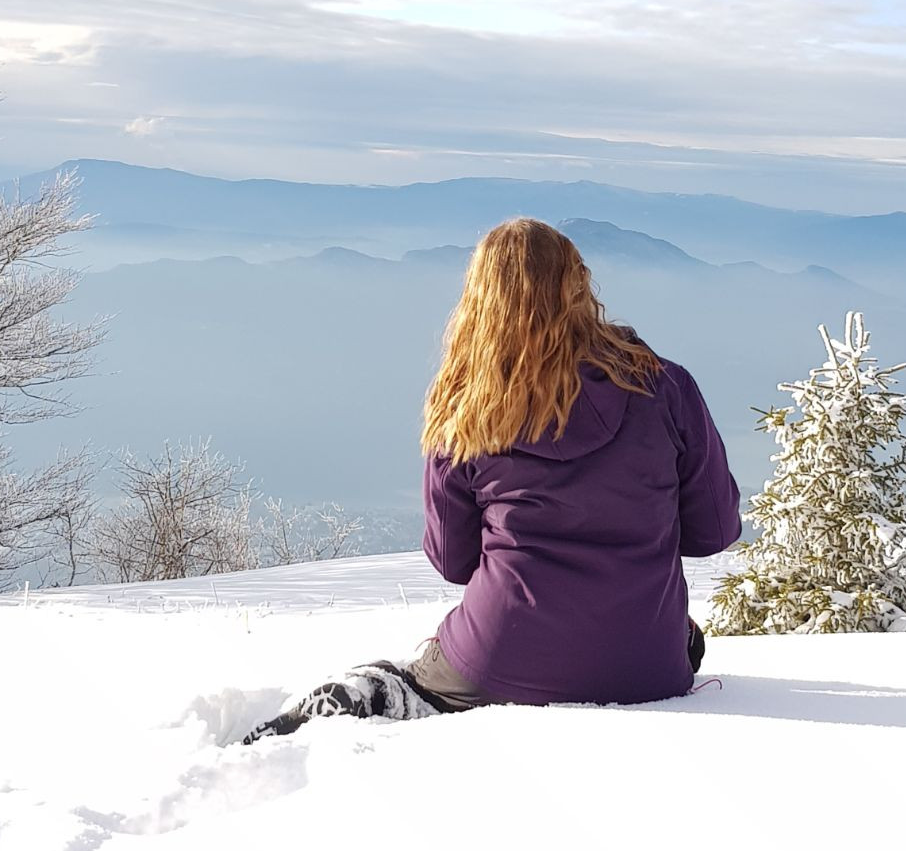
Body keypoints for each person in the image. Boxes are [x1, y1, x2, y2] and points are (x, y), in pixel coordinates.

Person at [242, 218, 741, 744]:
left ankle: (374, 698)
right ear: (579, 287)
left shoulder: (467, 407)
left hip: (500, 655)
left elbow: (453, 562)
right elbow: (714, 530)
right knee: (688, 642)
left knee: (420, 672)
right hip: (647, 664)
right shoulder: (665, 387)